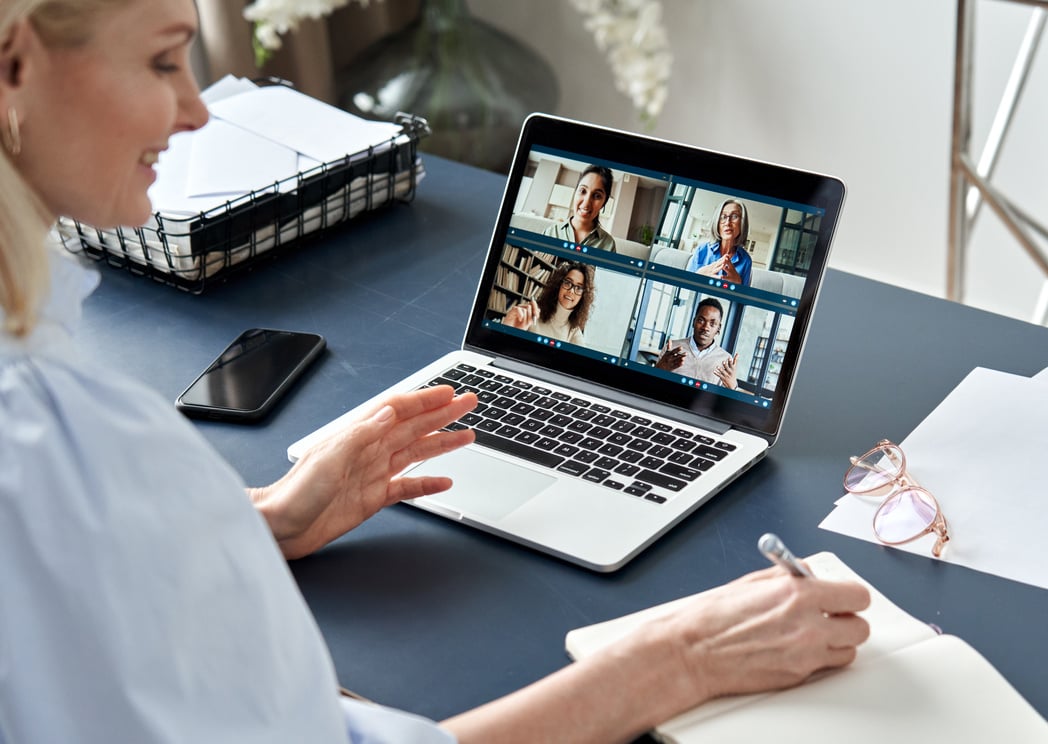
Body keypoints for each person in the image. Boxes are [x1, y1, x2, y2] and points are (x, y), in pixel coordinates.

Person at [0, 1, 871, 742]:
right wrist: (678, 660)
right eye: (162, 62)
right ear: (14, 69)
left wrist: (266, 519)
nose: (195, 110)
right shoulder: (53, 436)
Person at [655, 298, 740, 390]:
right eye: (701, 320)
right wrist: (658, 369)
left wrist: (733, 387)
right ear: (694, 322)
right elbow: (651, 384)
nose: (705, 327)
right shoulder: (671, 349)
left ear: (718, 328)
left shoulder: (726, 360)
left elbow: (725, 400)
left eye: (712, 324)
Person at [500, 260, 593, 344]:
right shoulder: (531, 312)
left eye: (579, 288)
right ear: (559, 285)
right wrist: (507, 329)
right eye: (568, 282)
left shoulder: (575, 332)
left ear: (583, 296)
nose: (571, 291)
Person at [543, 164, 618, 253]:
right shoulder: (550, 232)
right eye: (583, 191)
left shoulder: (608, 245)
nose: (586, 203)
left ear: (604, 203)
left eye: (597, 196)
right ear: (575, 193)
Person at [686, 198, 753, 285]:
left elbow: (743, 297)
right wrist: (699, 275)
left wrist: (738, 283)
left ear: (742, 223)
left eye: (734, 216)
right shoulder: (701, 250)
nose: (727, 222)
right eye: (723, 217)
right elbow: (684, 289)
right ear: (717, 222)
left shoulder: (746, 260)